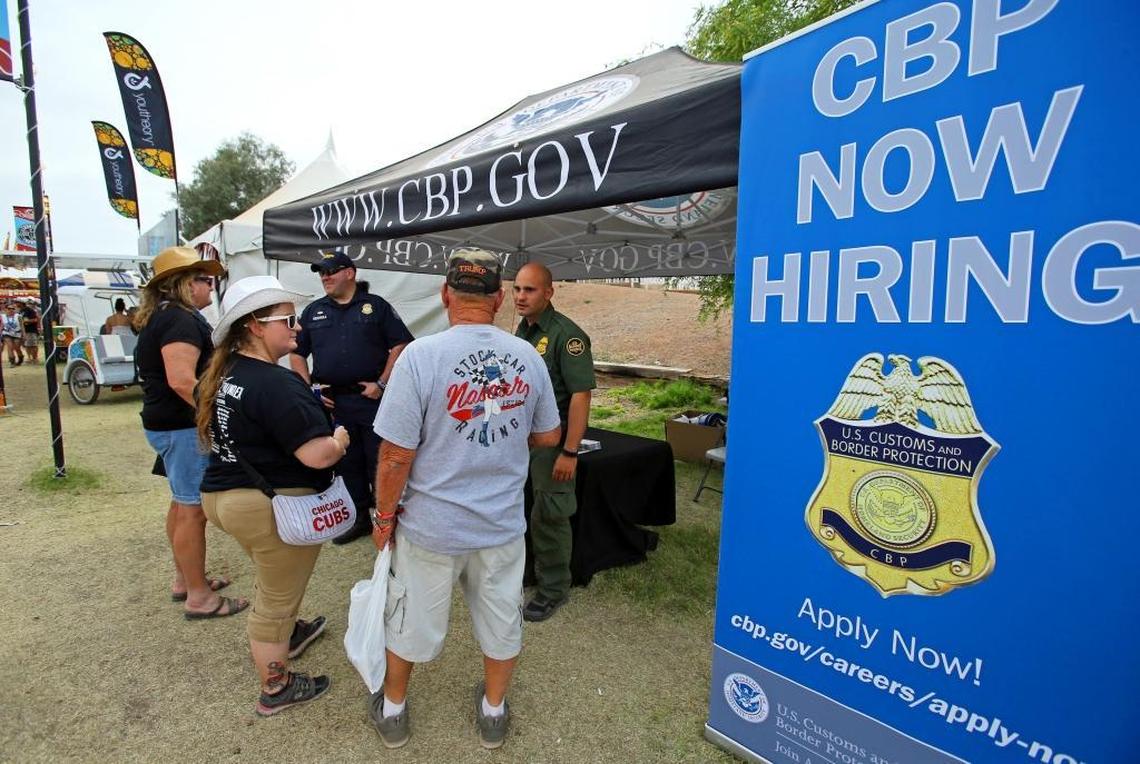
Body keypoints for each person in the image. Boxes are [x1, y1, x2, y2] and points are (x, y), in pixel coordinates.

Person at [368, 249, 561, 750]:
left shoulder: (420, 356)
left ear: (445, 294)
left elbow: (394, 456)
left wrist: (384, 517)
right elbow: (548, 435)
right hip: (499, 524)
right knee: (501, 618)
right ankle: (493, 711)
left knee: (410, 617)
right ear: (499, 299)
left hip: (432, 525)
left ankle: (393, 711)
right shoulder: (527, 357)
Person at [198, 275, 352, 717]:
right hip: (269, 505)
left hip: (225, 498)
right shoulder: (276, 383)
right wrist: (339, 440)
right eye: (288, 319)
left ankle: (290, 634)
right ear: (254, 326)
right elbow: (317, 455)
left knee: (275, 579)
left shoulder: (227, 372)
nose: (297, 327)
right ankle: (277, 685)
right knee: (275, 602)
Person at [135, 246, 247, 617]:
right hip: (183, 427)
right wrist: (217, 417)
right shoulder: (179, 320)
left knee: (181, 503)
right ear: (180, 284)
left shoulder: (167, 317)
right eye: (202, 278)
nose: (209, 284)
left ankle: (186, 580)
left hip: (171, 425)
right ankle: (199, 597)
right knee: (192, 509)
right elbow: (183, 381)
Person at [288, 252, 414, 545]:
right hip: (333, 402)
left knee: (379, 460)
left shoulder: (375, 306)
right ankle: (358, 517)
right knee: (346, 462)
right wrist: (311, 390)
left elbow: (401, 344)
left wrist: (382, 383)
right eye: (321, 272)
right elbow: (296, 353)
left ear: (350, 273)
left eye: (331, 270)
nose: (325, 276)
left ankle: (387, 519)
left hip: (370, 400)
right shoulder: (314, 311)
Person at [513, 262, 596, 622]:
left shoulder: (567, 336)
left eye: (529, 290)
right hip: (522, 441)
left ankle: (553, 589)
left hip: (553, 442)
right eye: (516, 289)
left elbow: (581, 396)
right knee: (524, 509)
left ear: (549, 292)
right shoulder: (523, 331)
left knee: (550, 514)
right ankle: (531, 572)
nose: (520, 296)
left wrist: (569, 452)